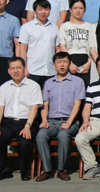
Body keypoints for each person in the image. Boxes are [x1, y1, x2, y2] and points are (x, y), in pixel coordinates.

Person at [0, 57, 43, 181]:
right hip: (8, 123)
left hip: (26, 122)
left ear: (24, 69)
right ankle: (4, 170)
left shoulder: (33, 86)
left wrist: (27, 126)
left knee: (24, 143)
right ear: (9, 71)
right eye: (13, 68)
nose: (16, 71)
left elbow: (34, 108)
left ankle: (25, 172)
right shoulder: (4, 87)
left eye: (18, 67)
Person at [35, 52, 85, 181]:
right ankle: (47, 170)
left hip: (70, 121)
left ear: (69, 63)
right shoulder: (48, 83)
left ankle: (61, 170)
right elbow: (45, 105)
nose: (62, 65)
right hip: (51, 121)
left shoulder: (77, 81)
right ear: (54, 65)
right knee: (41, 135)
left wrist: (69, 122)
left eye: (65, 62)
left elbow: (77, 105)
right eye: (58, 62)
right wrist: (44, 120)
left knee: (63, 135)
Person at [18, 0, 59, 87]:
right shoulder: (27, 27)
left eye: (46, 9)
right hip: (33, 70)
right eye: (40, 9)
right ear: (35, 11)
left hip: (51, 71)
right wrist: (24, 68)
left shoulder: (54, 27)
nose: (43, 12)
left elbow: (57, 49)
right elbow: (22, 49)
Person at [58, 0, 93, 87]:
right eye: (75, 8)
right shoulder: (64, 26)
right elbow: (62, 46)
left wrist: (89, 63)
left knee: (84, 89)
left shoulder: (90, 27)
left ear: (85, 10)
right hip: (70, 59)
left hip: (85, 61)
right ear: (70, 10)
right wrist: (69, 63)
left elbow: (93, 47)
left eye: (81, 8)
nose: (78, 10)